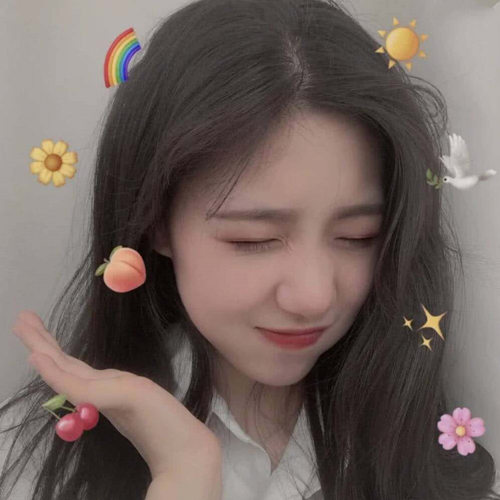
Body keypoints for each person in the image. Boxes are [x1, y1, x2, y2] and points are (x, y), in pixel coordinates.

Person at [0, 0, 499, 499]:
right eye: (254, 240)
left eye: (358, 235)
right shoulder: (38, 458)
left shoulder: (432, 450)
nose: (314, 296)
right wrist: (183, 476)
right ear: (155, 223)